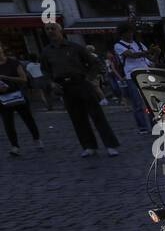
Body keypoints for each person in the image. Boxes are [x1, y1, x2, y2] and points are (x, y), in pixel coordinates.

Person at [40, 23, 120, 158]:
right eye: (47, 29)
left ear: (60, 31)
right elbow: (45, 70)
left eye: (53, 28)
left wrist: (89, 78)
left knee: (97, 115)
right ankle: (89, 146)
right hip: (64, 87)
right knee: (77, 118)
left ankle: (110, 145)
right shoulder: (46, 52)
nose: (50, 31)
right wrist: (52, 83)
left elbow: (94, 63)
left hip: (81, 83)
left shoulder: (75, 47)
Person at [0, 45, 41, 155]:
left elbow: (23, 79)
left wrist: (6, 78)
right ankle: (15, 146)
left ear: (2, 48)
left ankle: (36, 138)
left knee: (28, 119)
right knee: (8, 123)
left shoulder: (13, 62)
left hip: (18, 96)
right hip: (3, 99)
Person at [113, 23, 153, 133]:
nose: (130, 34)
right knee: (137, 103)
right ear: (122, 34)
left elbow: (150, 58)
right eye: (128, 32)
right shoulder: (118, 45)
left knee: (150, 102)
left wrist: (155, 53)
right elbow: (132, 55)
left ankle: (154, 125)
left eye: (131, 31)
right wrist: (147, 52)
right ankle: (143, 128)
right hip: (132, 76)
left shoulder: (138, 44)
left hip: (146, 73)